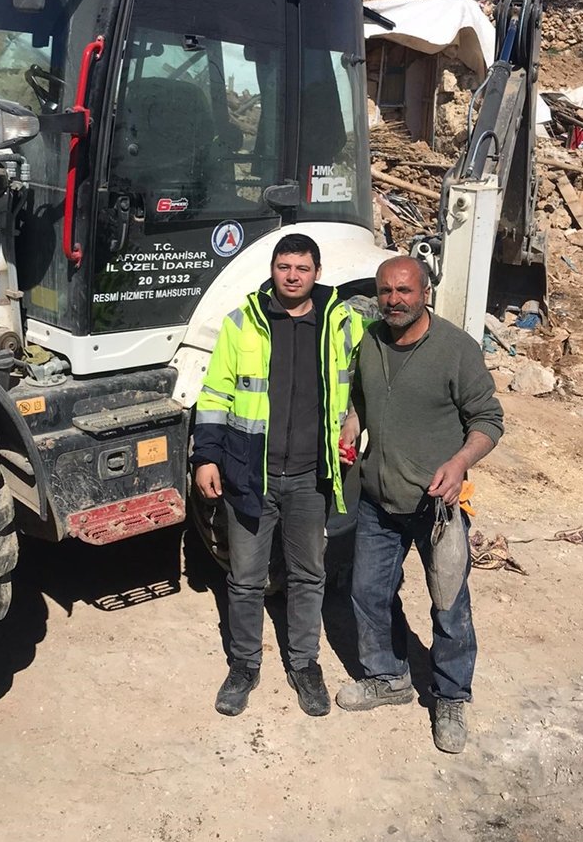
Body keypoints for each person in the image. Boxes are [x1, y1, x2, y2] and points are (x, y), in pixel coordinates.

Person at [335, 256, 503, 753]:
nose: (394, 299)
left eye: (404, 290)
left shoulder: (456, 349)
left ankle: (450, 694)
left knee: (449, 604)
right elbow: (364, 399)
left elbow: (489, 420)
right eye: (385, 291)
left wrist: (459, 463)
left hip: (438, 507)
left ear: (424, 292)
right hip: (378, 498)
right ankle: (388, 677)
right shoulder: (369, 340)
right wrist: (353, 420)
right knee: (367, 593)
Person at [192, 233, 363, 718]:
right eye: (284, 266)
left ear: (317, 272)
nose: (292, 276)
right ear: (272, 270)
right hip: (251, 475)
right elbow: (215, 394)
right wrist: (206, 457)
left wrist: (356, 419)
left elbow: (364, 380)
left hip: (311, 478)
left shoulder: (343, 323)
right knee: (245, 580)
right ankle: (244, 666)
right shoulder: (242, 323)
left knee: (309, 576)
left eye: (302, 268)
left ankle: (304, 664)